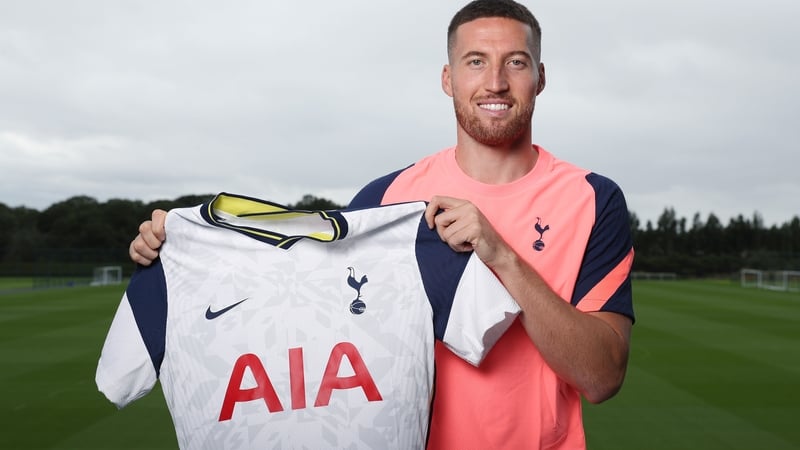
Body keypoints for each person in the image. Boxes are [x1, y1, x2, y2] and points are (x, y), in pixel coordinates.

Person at [129, 1, 635, 448]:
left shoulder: (593, 199)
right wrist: (184, 243)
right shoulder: (385, 201)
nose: (495, 82)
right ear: (448, 78)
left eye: (515, 63)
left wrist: (501, 256)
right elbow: (293, 285)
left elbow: (602, 376)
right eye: (475, 61)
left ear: (540, 78)